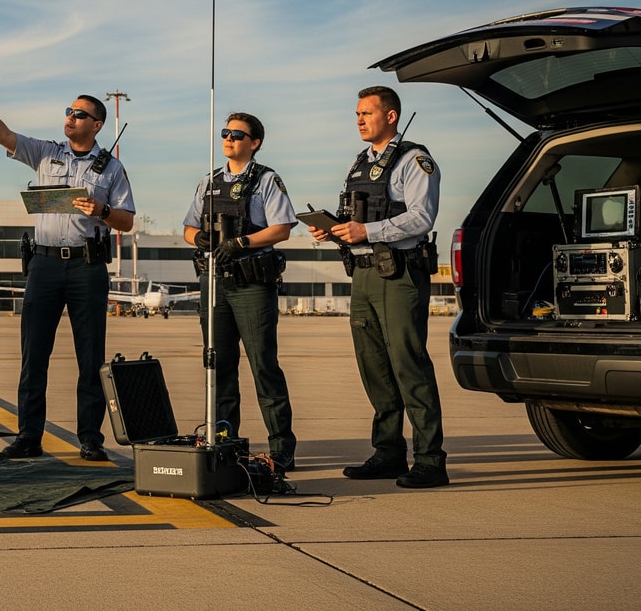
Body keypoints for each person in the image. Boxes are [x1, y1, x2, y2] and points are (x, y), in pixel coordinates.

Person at [0, 86, 134, 461]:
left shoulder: (112, 168)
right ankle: (28, 437)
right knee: (33, 354)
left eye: (80, 114)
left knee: (90, 357)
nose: (70, 116)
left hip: (87, 267)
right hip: (45, 264)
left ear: (97, 125)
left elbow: (127, 221)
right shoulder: (46, 152)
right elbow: (5, 136)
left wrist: (101, 210)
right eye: (69, 111)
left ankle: (90, 439)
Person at [307, 86, 448, 489]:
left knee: (408, 363)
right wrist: (333, 230)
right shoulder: (358, 164)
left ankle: (430, 459)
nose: (359, 120)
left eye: (366, 113)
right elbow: (358, 221)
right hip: (365, 273)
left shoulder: (414, 160)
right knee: (375, 366)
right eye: (356, 114)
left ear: (390, 116)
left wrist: (365, 230)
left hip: (399, 272)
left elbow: (422, 217)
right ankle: (388, 452)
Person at [182, 113, 298, 477]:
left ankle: (282, 449)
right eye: (225, 133)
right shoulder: (209, 182)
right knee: (219, 365)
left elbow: (282, 229)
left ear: (255, 142)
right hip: (215, 283)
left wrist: (242, 242)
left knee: (264, 366)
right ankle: (224, 442)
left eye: (237, 134)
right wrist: (199, 238)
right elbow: (188, 227)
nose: (229, 139)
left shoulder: (266, 180)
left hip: (251, 284)